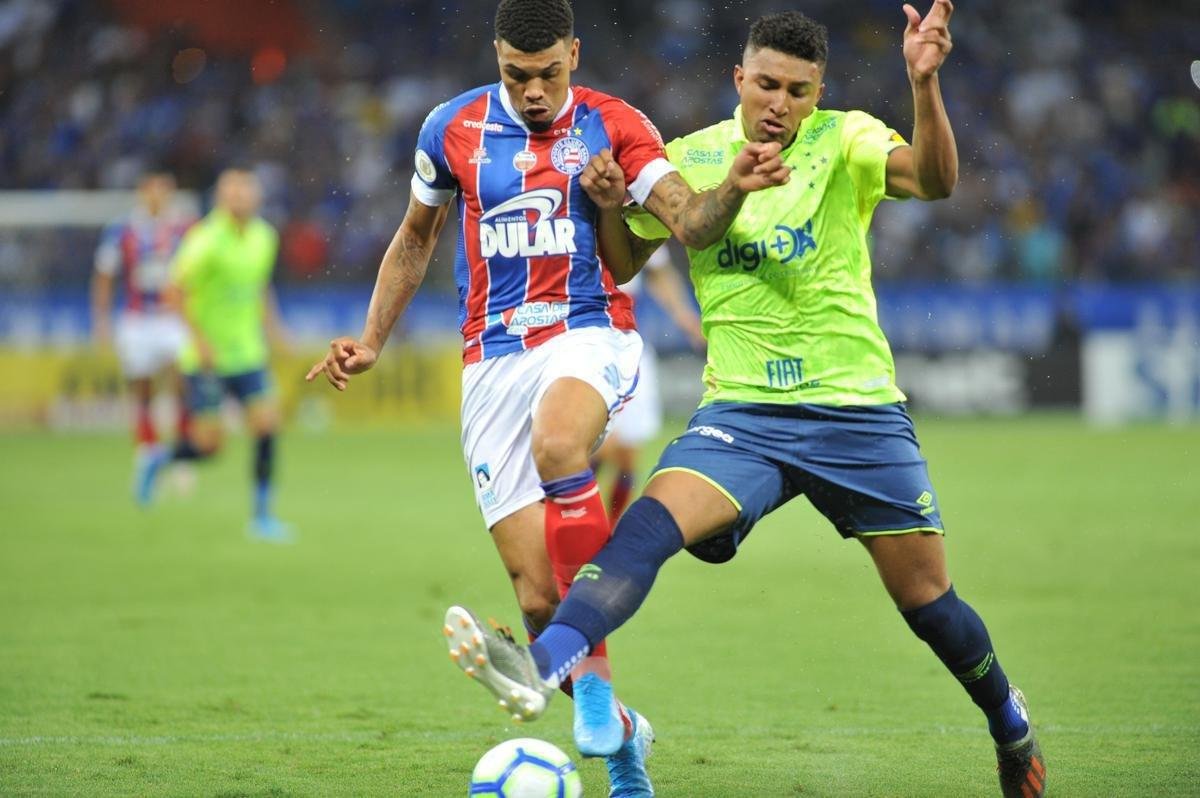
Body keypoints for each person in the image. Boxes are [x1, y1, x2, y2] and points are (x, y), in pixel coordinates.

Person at [443, 4, 1048, 797]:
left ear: (818, 92)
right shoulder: (691, 156)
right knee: (646, 532)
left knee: (928, 602)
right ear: (739, 79)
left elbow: (935, 180)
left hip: (857, 413)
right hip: (745, 420)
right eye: (766, 84)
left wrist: (922, 81)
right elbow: (624, 262)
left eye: (798, 91)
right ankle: (549, 664)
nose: (780, 103)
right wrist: (602, 202)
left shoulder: (848, 140)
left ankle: (1010, 721)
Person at [305, 0, 787, 793]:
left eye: (549, 74)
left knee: (560, 445)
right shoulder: (449, 130)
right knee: (539, 600)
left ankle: (592, 692)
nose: (533, 91)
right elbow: (415, 239)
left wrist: (728, 184)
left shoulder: (617, 124)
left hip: (586, 330)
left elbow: (690, 225)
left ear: (575, 53)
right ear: (498, 58)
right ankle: (625, 733)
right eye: (515, 75)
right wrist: (373, 339)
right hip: (492, 359)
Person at [156, 167, 293, 540]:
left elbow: (259, 286)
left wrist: (276, 331)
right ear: (220, 198)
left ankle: (262, 516)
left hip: (248, 352)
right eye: (232, 193)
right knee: (210, 447)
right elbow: (173, 291)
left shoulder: (265, 236)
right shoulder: (203, 240)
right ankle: (162, 459)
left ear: (256, 197)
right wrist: (198, 341)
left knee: (267, 426)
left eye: (245, 192)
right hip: (208, 359)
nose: (239, 199)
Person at [91, 167, 195, 505]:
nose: (158, 195)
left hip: (173, 319)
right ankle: (147, 452)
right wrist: (101, 321)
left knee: (184, 381)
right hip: (137, 319)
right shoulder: (121, 230)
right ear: (142, 191)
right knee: (142, 389)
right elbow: (105, 275)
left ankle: (181, 456)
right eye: (153, 189)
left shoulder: (185, 227)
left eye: (165, 189)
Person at [593, 245, 704, 520]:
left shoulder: (633, 219)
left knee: (629, 456)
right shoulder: (574, 222)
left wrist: (685, 317)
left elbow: (659, 271)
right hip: (588, 349)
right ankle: (573, 520)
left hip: (630, 348)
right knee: (598, 449)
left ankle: (609, 533)